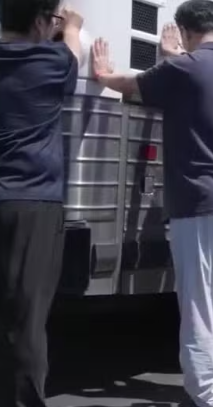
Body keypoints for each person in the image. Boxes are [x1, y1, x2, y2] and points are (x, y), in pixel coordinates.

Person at [90, 2, 213, 406]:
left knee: (200, 304)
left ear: (187, 32)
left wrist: (102, 73)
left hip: (199, 202)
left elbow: (132, 85)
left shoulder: (184, 68)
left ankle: (203, 396)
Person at [0, 2, 82, 406]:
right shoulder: (51, 60)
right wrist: (72, 27)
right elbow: (74, 54)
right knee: (26, 319)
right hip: (32, 201)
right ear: (39, 22)